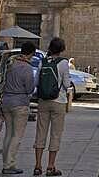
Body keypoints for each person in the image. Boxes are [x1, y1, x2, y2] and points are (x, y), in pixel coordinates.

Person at [34, 36, 72, 177]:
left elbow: (36, 82)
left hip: (43, 101)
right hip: (59, 101)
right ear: (61, 49)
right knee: (55, 134)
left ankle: (38, 166)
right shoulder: (63, 63)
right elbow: (67, 85)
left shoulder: (42, 62)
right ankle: (50, 166)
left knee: (40, 132)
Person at [0, 40, 37, 176]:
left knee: (8, 133)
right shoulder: (26, 67)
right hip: (20, 103)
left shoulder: (11, 63)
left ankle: (6, 162)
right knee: (17, 135)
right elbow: (30, 88)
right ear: (32, 53)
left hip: (7, 102)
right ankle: (9, 164)